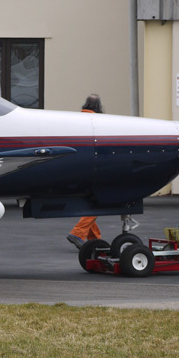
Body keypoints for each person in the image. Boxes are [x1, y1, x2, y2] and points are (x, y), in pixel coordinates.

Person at [67, 94, 103, 249]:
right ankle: (78, 233)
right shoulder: (99, 122)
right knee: (97, 203)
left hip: (75, 168)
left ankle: (95, 240)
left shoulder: (76, 119)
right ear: (99, 107)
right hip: (92, 169)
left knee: (90, 204)